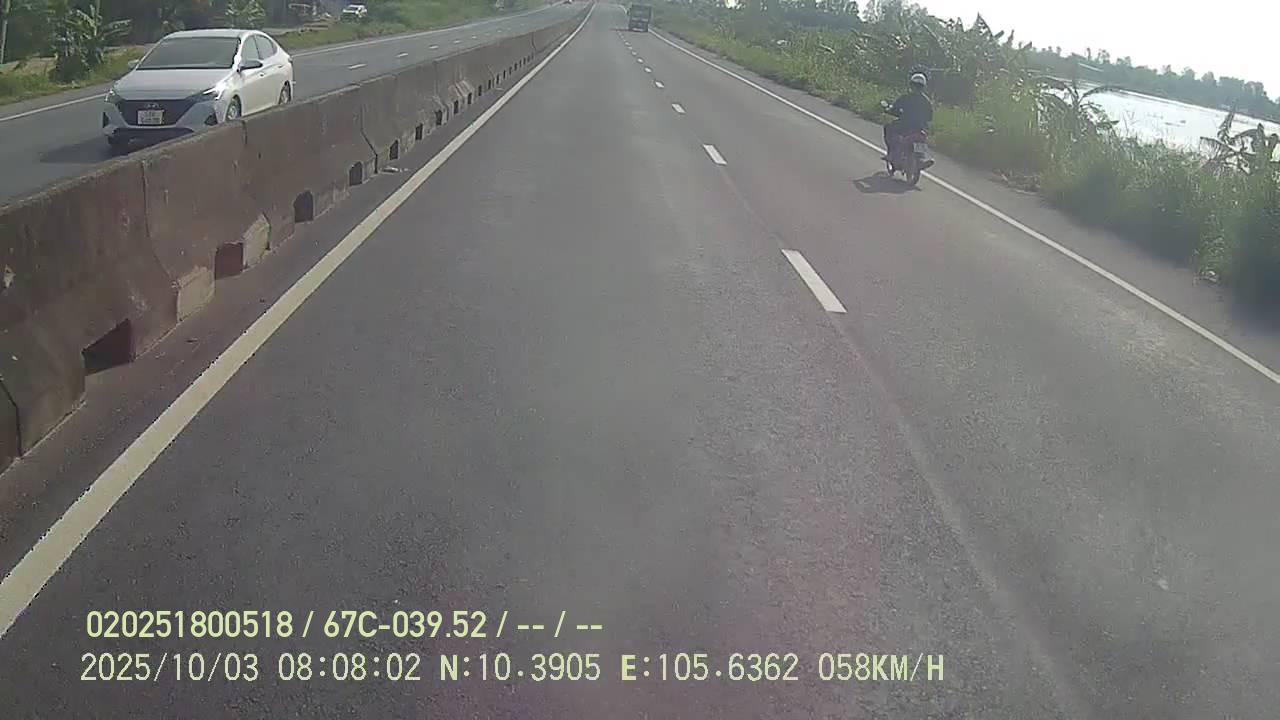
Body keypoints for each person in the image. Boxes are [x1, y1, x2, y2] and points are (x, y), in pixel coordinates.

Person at [882, 73, 933, 163]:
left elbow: (894, 109)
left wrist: (888, 110)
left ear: (911, 85)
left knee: (888, 127)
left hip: (904, 125)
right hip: (920, 128)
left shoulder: (906, 98)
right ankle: (921, 158)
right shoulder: (927, 101)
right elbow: (929, 117)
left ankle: (892, 154)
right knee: (922, 138)